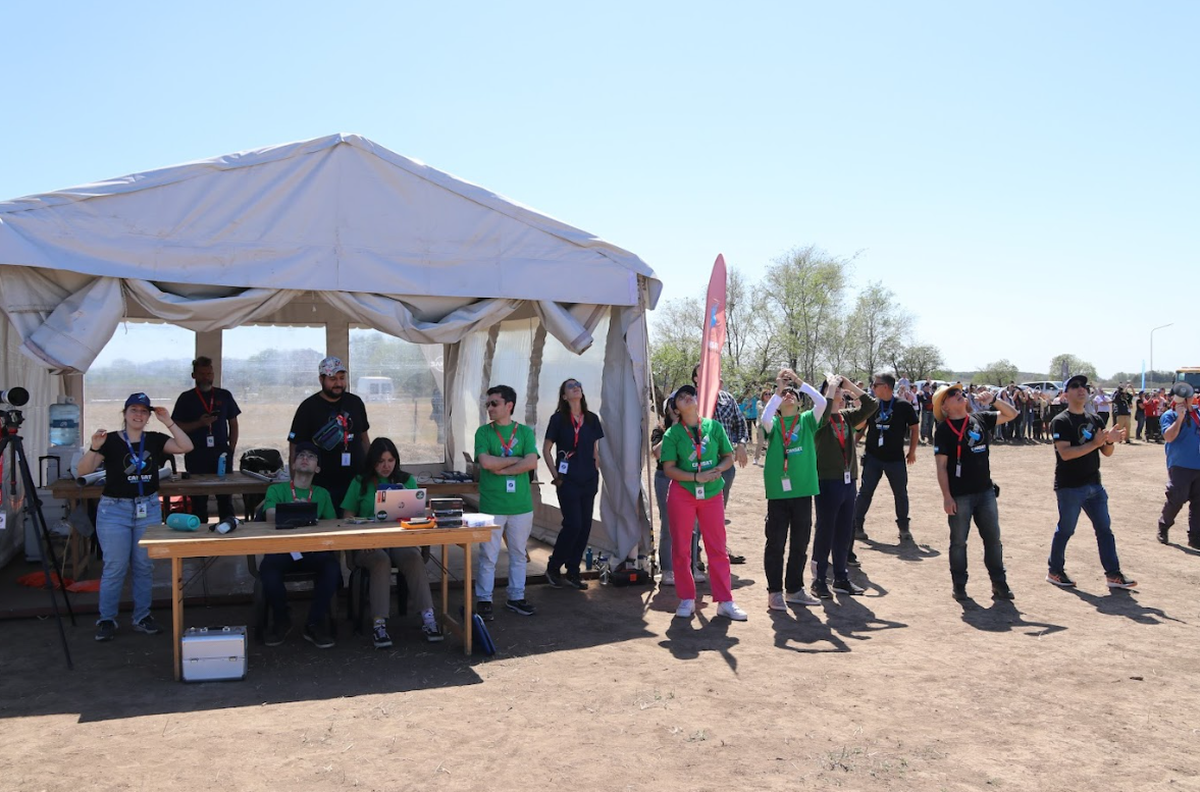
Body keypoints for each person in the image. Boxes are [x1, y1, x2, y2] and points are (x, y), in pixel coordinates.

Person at [78, 393, 193, 642]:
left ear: (149, 416)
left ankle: (142, 617)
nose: (138, 415)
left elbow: (186, 447)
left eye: (143, 411)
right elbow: (83, 470)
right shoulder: (108, 440)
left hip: (147, 507)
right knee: (115, 567)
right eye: (134, 410)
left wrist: (169, 422)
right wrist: (94, 447)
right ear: (125, 413)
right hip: (114, 510)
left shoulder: (154, 439)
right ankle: (107, 619)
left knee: (143, 566)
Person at [342, 437, 444, 647]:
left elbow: (419, 514)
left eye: (390, 460)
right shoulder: (360, 482)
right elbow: (347, 516)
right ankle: (379, 623)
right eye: (380, 461)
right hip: (368, 545)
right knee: (380, 561)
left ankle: (428, 618)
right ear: (372, 462)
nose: (386, 466)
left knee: (414, 557)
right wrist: (359, 541)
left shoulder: (407, 481)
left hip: (400, 542)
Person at [660, 384, 747, 621]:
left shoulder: (714, 427)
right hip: (683, 494)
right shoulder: (672, 434)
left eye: (690, 394)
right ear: (675, 409)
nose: (687, 397)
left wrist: (718, 470)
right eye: (681, 397)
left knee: (717, 547)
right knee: (681, 548)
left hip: (711, 493)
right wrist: (695, 477)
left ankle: (725, 601)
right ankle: (687, 599)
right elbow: (668, 468)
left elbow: (728, 457)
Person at [1046, 375, 1138, 590]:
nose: (1081, 390)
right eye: (1075, 386)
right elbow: (1066, 453)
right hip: (1070, 486)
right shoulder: (1061, 420)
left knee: (1105, 530)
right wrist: (1096, 442)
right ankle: (1055, 570)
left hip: (1094, 485)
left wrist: (1110, 441)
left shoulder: (1095, 419)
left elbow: (1106, 452)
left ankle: (1113, 575)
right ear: (1065, 394)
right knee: (1066, 530)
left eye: (1084, 387)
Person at [932, 385, 1016, 601]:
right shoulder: (943, 430)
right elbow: (941, 466)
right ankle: (959, 585)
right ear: (944, 406)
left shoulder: (979, 418)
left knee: (993, 540)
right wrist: (947, 497)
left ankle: (999, 584)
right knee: (959, 543)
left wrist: (994, 400)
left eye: (959, 393)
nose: (959, 395)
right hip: (960, 496)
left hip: (985, 492)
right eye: (951, 395)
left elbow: (1012, 414)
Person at [259, 442, 342, 648]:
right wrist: (294, 511)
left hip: (313, 551)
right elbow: (269, 514)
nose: (305, 458)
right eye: (301, 455)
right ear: (293, 464)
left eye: (311, 456)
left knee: (332, 568)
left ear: (317, 468)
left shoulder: (322, 494)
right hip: (282, 551)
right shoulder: (277, 489)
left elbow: (331, 524)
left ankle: (314, 622)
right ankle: (281, 618)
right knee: (267, 569)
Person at [759, 369, 827, 610]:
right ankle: (774, 592)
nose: (789, 395)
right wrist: (778, 390)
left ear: (800, 404)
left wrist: (799, 382)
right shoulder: (774, 424)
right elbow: (764, 419)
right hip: (778, 493)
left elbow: (822, 401)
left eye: (793, 394)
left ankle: (795, 589)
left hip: (803, 491)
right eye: (784, 395)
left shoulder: (808, 420)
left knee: (800, 543)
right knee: (775, 543)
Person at [474, 384, 539, 620]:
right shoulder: (483, 432)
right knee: (488, 556)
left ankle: (516, 597)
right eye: (488, 404)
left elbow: (532, 462)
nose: (489, 408)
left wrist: (501, 467)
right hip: (492, 506)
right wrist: (515, 461)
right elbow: (485, 462)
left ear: (508, 405)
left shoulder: (524, 432)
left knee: (518, 554)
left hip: (521, 506)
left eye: (494, 403)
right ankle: (484, 599)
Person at [811, 376, 876, 598]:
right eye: (835, 390)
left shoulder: (846, 417)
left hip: (849, 481)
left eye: (840, 390)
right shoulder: (817, 418)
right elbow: (825, 408)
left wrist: (849, 385)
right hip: (827, 481)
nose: (840, 393)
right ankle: (818, 579)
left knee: (844, 531)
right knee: (825, 530)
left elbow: (871, 405)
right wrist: (830, 390)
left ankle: (841, 577)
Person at [542, 377, 605, 591]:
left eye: (578, 384)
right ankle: (553, 567)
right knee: (573, 524)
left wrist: (596, 463)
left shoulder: (591, 418)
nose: (576, 387)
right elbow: (546, 450)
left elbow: (594, 448)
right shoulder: (558, 419)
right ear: (564, 396)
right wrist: (556, 476)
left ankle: (573, 572)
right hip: (567, 480)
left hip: (588, 478)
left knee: (585, 526)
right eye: (570, 386)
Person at [288, 356, 371, 512]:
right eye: (332, 379)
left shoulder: (355, 402)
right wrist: (296, 485)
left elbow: (364, 439)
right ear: (321, 379)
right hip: (321, 485)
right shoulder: (308, 407)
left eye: (341, 378)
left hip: (355, 482)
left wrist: (371, 472)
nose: (338, 383)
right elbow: (294, 448)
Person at [170, 356, 241, 525]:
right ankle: (200, 538)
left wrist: (231, 449)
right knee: (198, 500)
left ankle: (227, 533)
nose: (206, 377)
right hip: (196, 454)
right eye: (202, 374)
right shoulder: (186, 398)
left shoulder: (224, 395)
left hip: (221, 453)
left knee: (225, 498)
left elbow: (233, 423)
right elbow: (176, 426)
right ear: (194, 375)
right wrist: (200, 423)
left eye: (209, 373)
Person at [853, 373, 920, 543]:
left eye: (875, 385)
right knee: (865, 492)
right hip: (873, 457)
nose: (873, 388)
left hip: (895, 459)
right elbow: (862, 427)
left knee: (900, 493)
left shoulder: (903, 405)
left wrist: (912, 451)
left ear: (886, 387)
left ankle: (904, 529)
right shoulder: (872, 405)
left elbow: (914, 428)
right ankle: (856, 526)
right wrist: (852, 444)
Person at [692, 365, 748, 564]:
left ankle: (719, 550)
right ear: (696, 379)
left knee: (718, 511)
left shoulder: (727, 399)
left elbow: (740, 425)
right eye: (704, 372)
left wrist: (741, 445)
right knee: (697, 510)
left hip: (724, 466)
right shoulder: (690, 399)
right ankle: (694, 552)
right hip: (697, 467)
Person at [651, 397, 701, 586]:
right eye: (674, 404)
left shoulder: (692, 428)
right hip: (665, 478)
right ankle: (668, 568)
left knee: (693, 524)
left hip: (688, 478)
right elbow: (657, 453)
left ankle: (692, 565)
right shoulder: (661, 430)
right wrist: (672, 428)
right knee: (669, 525)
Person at [1157, 383, 1200, 549]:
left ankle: (1195, 537)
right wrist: (1180, 418)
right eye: (1187, 397)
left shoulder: (1197, 414)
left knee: (1198, 503)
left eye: (1191, 396)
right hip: (1180, 464)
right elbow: (1168, 437)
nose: (1190, 399)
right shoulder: (1169, 415)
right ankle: (1164, 525)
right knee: (1176, 498)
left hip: (1198, 464)